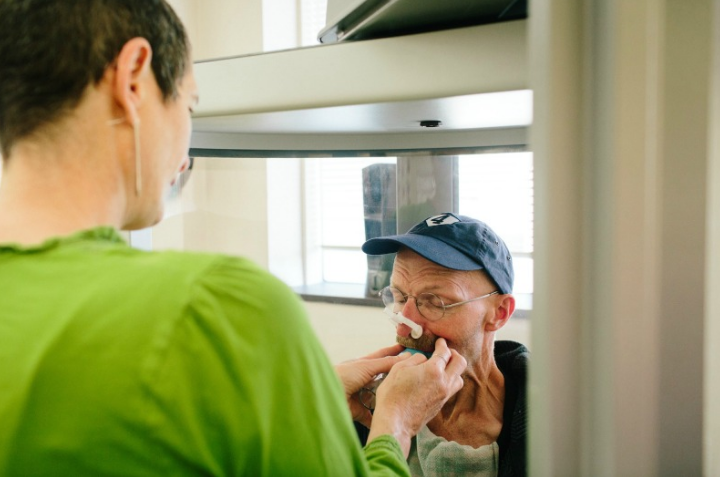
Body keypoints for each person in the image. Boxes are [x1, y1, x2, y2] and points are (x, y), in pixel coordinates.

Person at [0, 1, 467, 475]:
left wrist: (305, 393)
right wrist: (395, 427)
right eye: (188, 105)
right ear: (134, 79)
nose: (184, 159)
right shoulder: (218, 308)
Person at [361, 212, 529, 477]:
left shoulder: (549, 425)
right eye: (399, 296)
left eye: (435, 302)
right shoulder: (367, 408)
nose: (404, 326)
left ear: (500, 313)